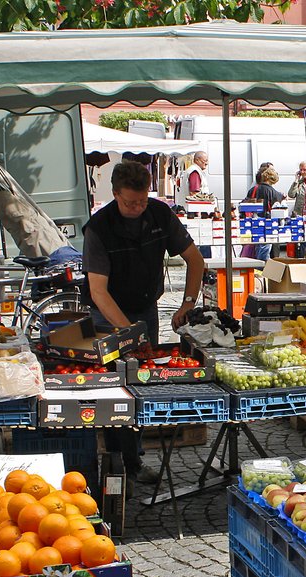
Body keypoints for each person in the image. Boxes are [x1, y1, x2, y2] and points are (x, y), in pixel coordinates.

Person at [83, 160, 206, 484]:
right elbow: (98, 291)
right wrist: (130, 332)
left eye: (141, 200)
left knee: (139, 385)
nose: (137, 208)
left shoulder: (159, 213)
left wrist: (188, 302)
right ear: (114, 195)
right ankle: (116, 465)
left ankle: (134, 460)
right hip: (107, 313)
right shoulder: (99, 228)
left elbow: (195, 260)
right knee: (114, 389)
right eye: (129, 202)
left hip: (146, 307)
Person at [243, 164, 285, 261]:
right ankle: (262, 270)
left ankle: (256, 269)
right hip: (267, 224)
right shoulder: (273, 192)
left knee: (256, 248)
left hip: (253, 223)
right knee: (264, 250)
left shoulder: (253, 189)